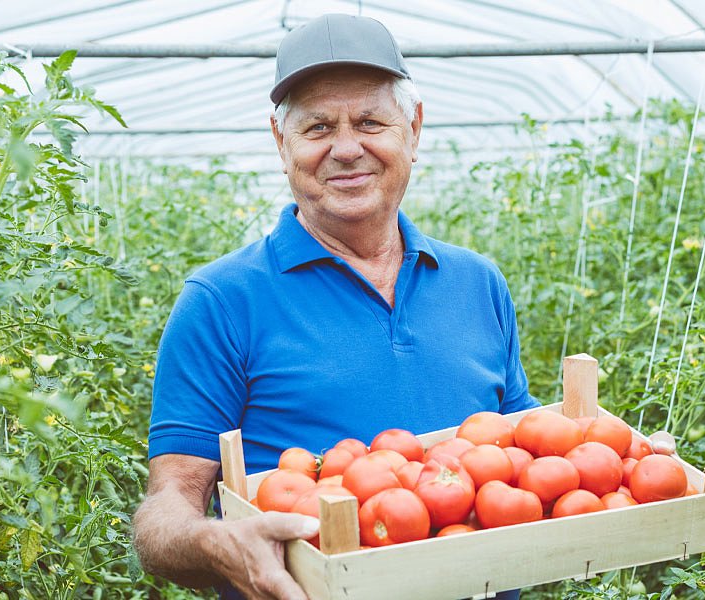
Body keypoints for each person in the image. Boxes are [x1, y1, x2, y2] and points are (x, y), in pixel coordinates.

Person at [132, 13, 537, 600]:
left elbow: (527, 450)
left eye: (371, 121)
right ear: (282, 143)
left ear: (414, 129)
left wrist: (625, 464)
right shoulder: (221, 302)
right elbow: (166, 510)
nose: (346, 149)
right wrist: (219, 544)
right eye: (318, 127)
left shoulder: (478, 283)